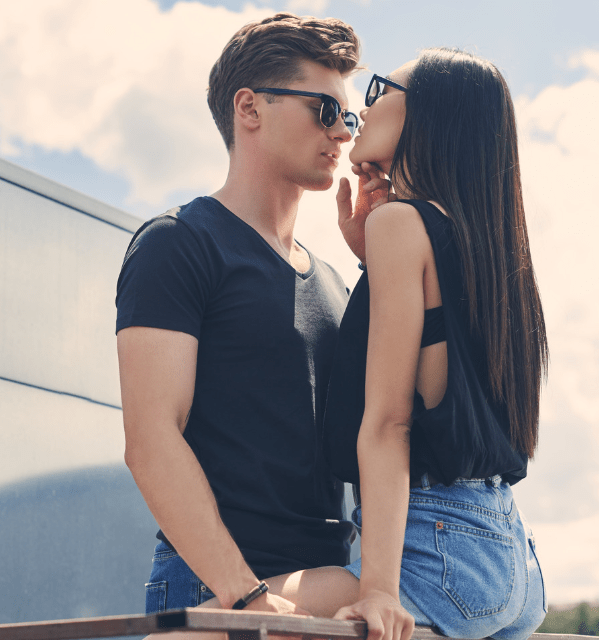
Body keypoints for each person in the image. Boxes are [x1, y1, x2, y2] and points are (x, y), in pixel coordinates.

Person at [166, 48, 550, 640]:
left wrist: (377, 590)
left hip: (431, 555)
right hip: (512, 566)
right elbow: (449, 374)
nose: (357, 117)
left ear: (431, 114)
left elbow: (389, 424)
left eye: (377, 92)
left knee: (197, 631)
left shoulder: (400, 224)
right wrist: (375, 268)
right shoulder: (484, 242)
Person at [115, 13, 362, 618]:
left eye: (350, 118)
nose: (344, 134)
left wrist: (378, 269)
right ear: (249, 108)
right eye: (325, 111)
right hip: (224, 590)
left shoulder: (336, 281)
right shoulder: (179, 244)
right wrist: (245, 595)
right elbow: (151, 440)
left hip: (325, 596)